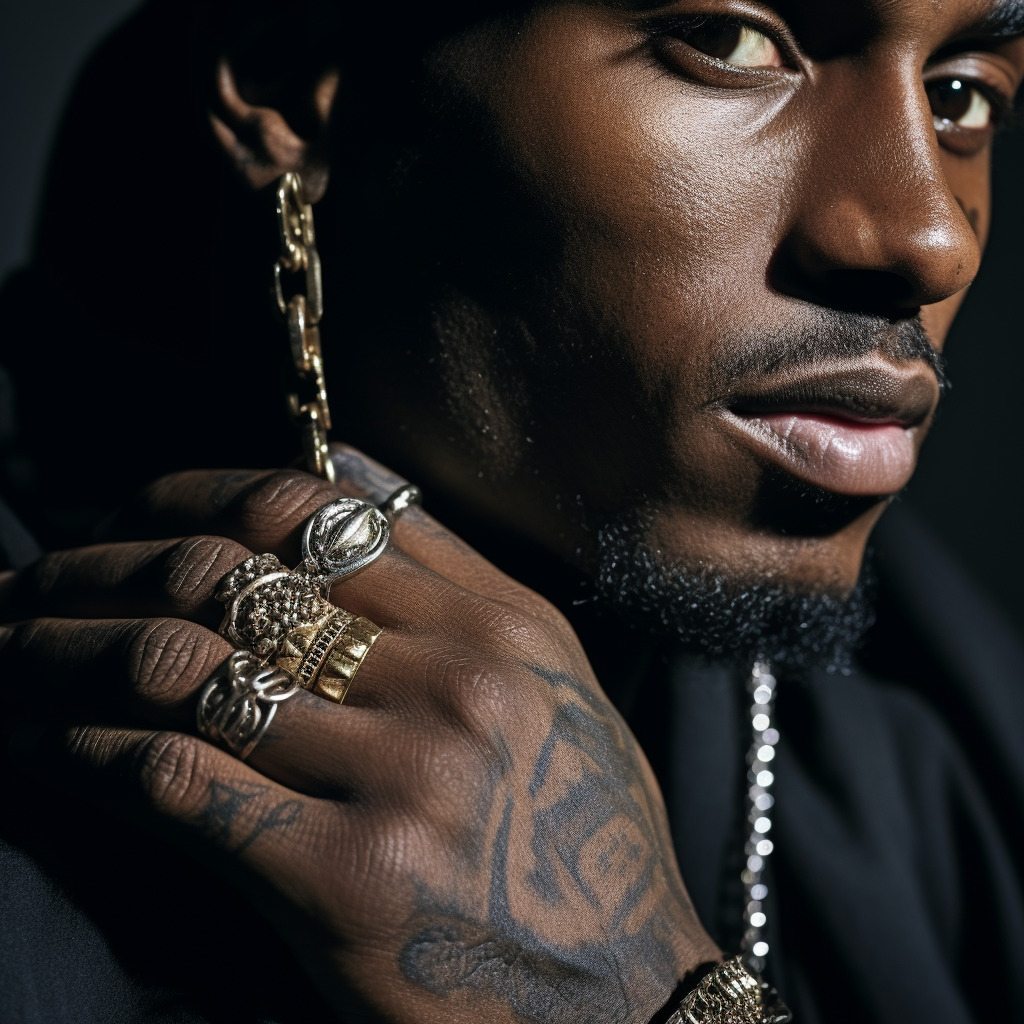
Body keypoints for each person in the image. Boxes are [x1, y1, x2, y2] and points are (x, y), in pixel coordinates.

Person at [1, 0, 1023, 1021]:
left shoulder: (955, 768)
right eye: (728, 43)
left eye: (960, 94)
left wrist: (650, 997)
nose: (928, 239)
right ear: (290, 83)